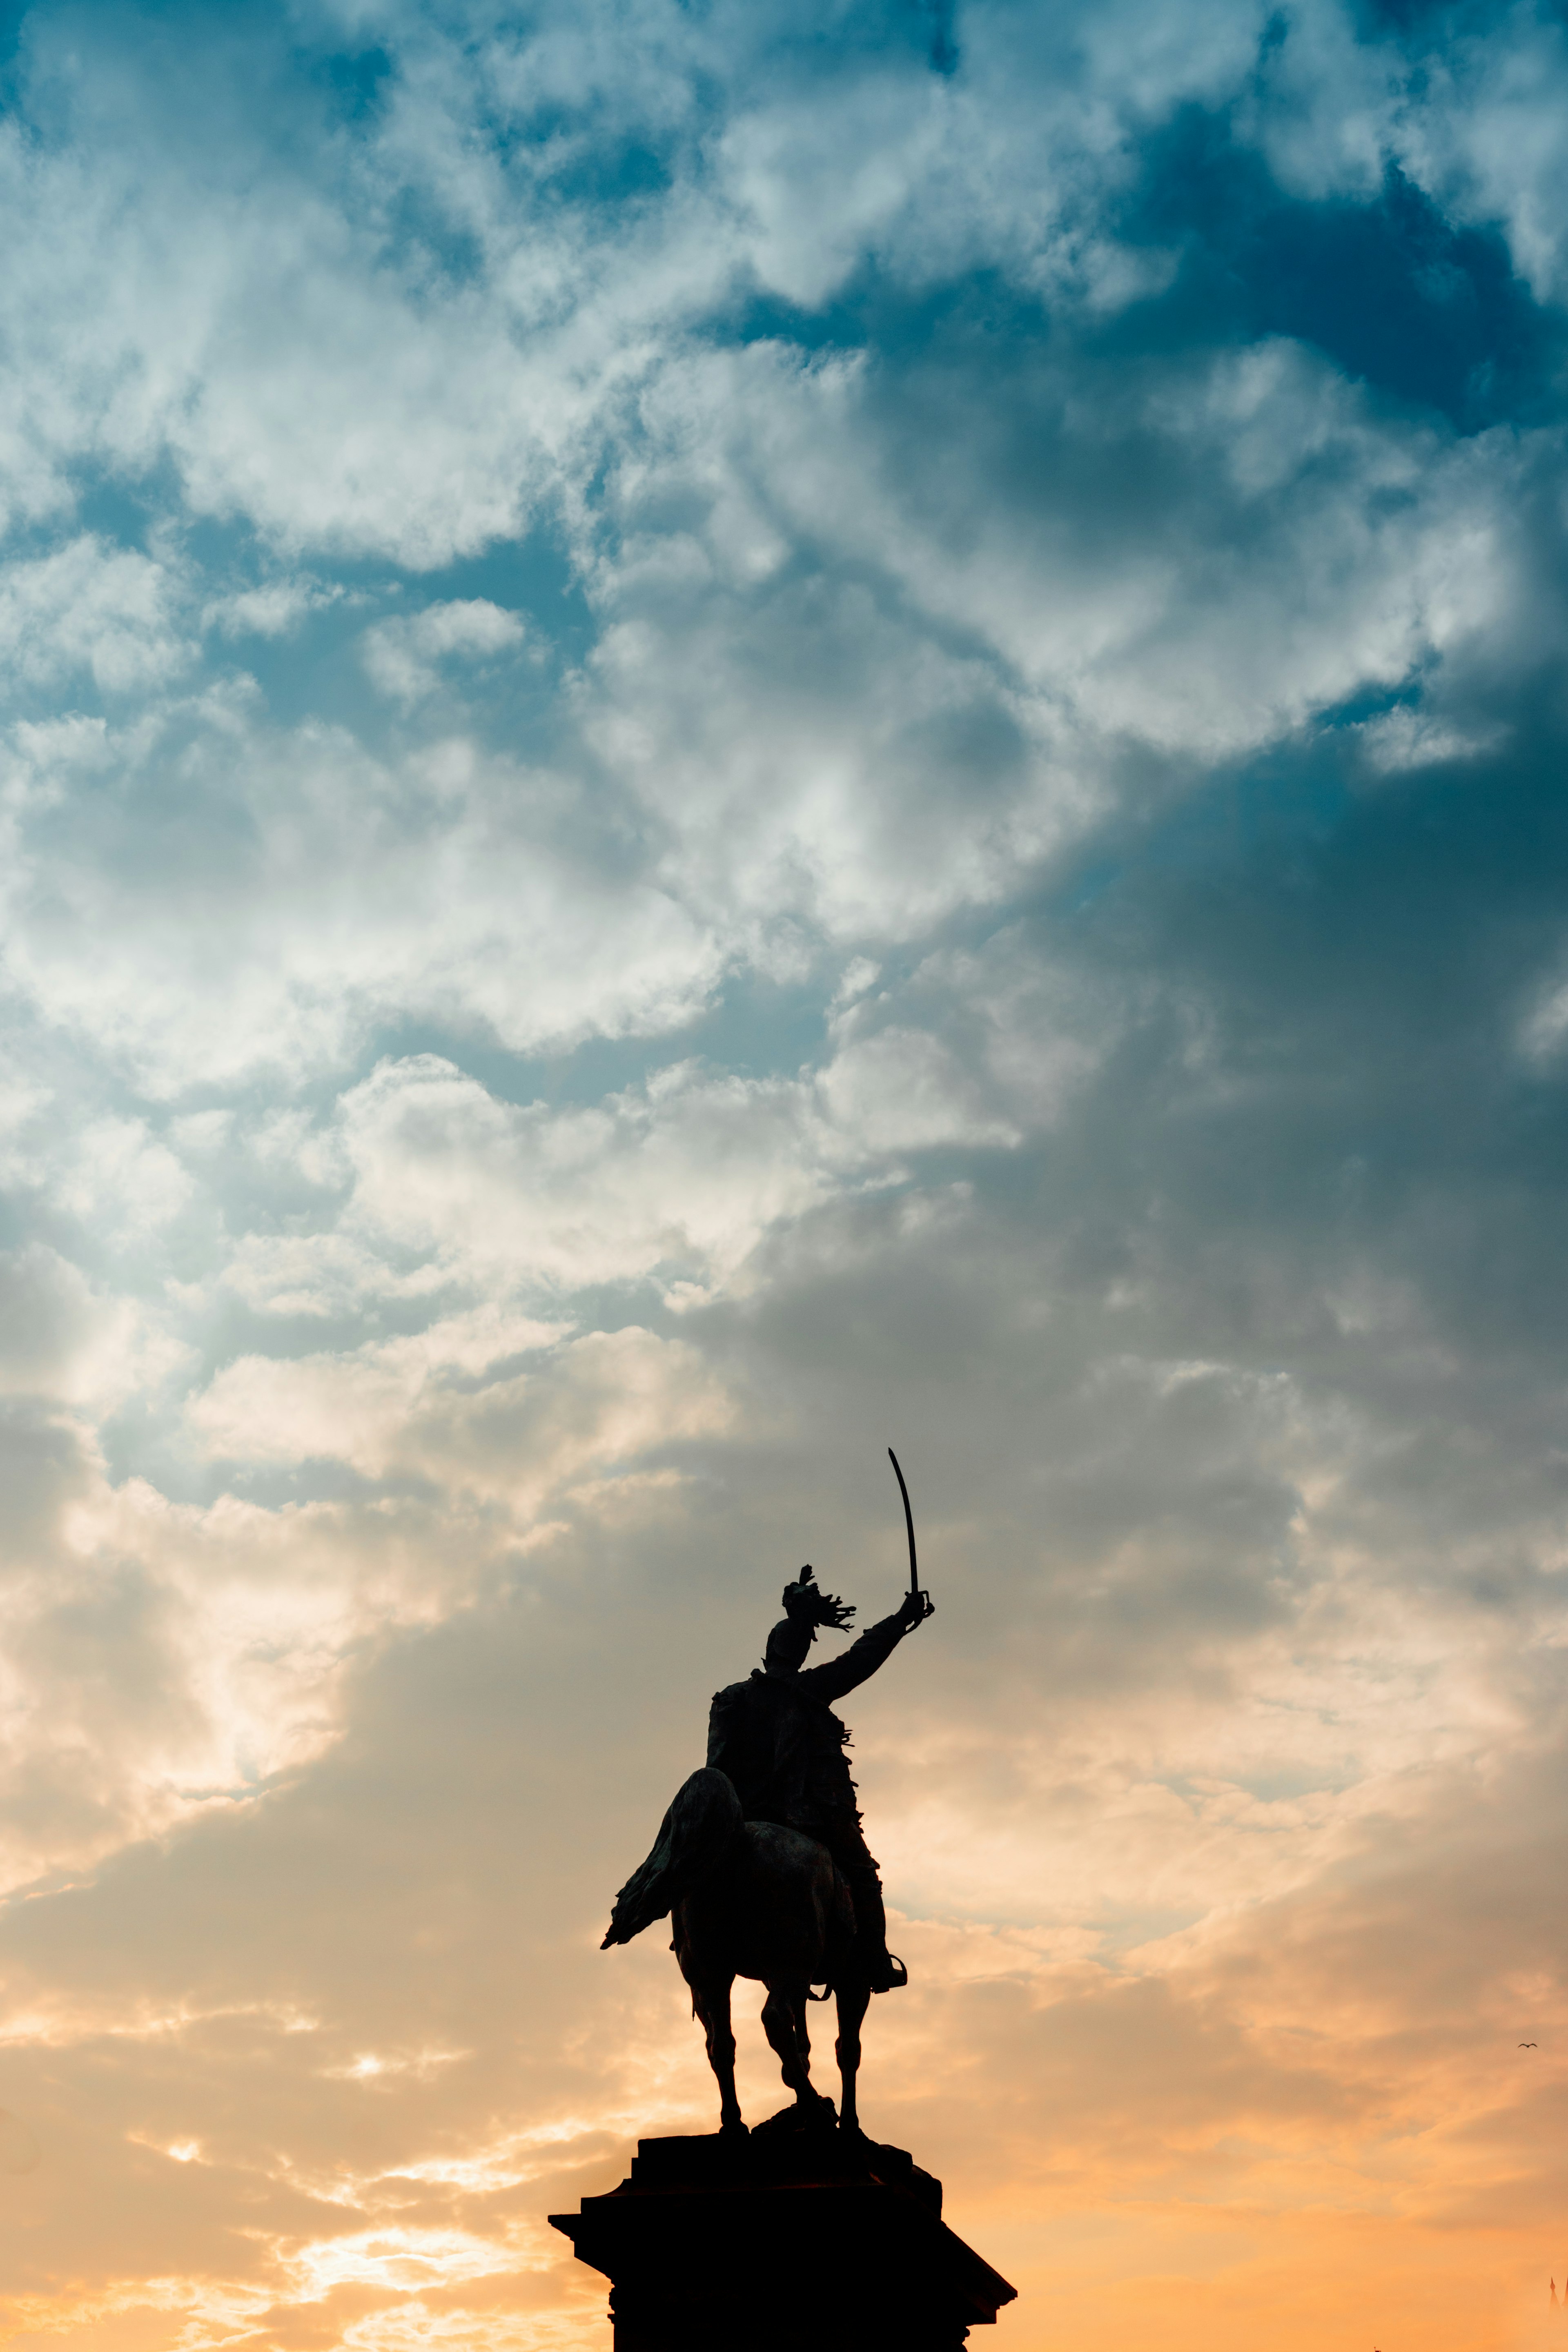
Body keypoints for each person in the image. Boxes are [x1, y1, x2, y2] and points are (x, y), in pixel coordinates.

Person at [705, 1564, 933, 1993]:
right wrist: (902, 1620)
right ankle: (875, 1960)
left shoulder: (730, 1699)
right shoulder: (809, 1689)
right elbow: (861, 1658)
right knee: (863, 1876)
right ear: (800, 1656)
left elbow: (715, 1767)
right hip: (810, 1814)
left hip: (743, 1815)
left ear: (769, 1650)